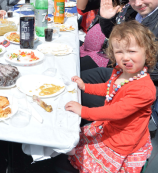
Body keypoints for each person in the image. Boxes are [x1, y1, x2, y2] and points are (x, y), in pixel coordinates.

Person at [65, 21, 157, 173]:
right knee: (78, 138)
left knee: (88, 158)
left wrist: (84, 111)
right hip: (110, 126)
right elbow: (108, 88)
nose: (125, 57)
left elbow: (116, 112)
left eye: (132, 51)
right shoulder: (121, 72)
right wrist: (85, 87)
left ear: (147, 52)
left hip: (122, 139)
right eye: (119, 52)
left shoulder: (144, 89)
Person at [81, 0, 158, 110]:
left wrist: (123, 79)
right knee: (74, 81)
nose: (138, 3)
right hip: (118, 72)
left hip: (138, 87)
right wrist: (106, 19)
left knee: (78, 97)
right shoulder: (131, 10)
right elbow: (116, 39)